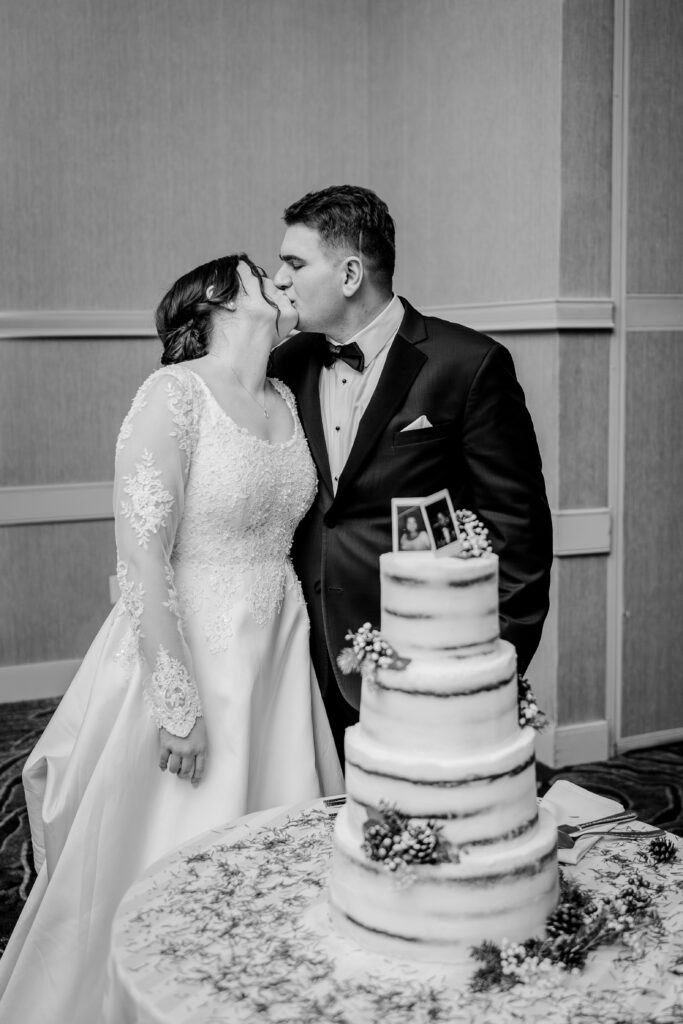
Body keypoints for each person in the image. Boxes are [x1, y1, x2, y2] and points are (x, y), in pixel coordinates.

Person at [0, 254, 343, 1023]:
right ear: (220, 298)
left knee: (272, 842)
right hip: (190, 647)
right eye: (264, 275)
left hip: (276, 648)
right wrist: (177, 702)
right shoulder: (173, 395)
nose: (283, 284)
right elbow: (143, 553)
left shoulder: (288, 396)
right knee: (176, 844)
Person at [270, 184, 553, 763]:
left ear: (350, 274)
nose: (278, 278)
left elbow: (517, 531)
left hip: (420, 657)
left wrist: (485, 669)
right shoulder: (286, 364)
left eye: (295, 263)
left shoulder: (468, 365)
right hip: (298, 654)